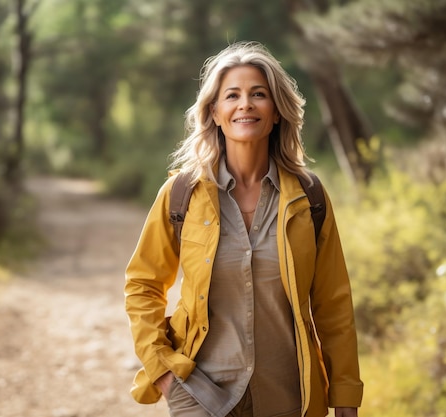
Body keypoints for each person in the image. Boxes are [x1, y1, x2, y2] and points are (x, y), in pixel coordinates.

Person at [124, 41, 363, 417]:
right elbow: (143, 284)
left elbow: (333, 305)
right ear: (215, 113)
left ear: (277, 112)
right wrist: (164, 372)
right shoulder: (181, 194)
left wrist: (345, 398)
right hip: (202, 394)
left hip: (290, 397)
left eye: (258, 94)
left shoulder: (309, 197)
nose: (245, 104)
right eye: (232, 95)